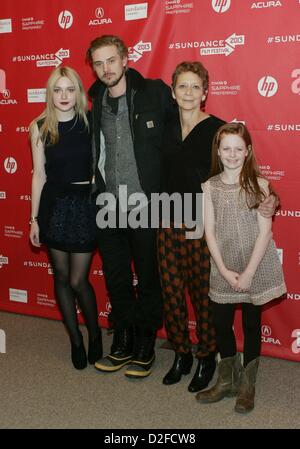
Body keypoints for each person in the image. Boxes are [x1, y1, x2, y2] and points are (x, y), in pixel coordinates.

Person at [158, 61, 278, 393]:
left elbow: (247, 175)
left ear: (206, 92)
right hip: (165, 219)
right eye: (182, 86)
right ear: (173, 91)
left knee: (204, 297)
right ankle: (181, 353)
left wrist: (272, 199)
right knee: (171, 293)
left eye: (195, 86)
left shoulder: (219, 130)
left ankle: (207, 357)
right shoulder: (164, 125)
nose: (188, 92)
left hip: (203, 224)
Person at [86, 35, 173, 378]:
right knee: (118, 278)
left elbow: (177, 140)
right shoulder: (95, 100)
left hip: (146, 204)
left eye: (111, 60)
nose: (105, 68)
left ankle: (145, 343)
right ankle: (122, 339)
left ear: (125, 59)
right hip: (108, 204)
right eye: (98, 63)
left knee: (149, 278)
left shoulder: (154, 92)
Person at [196, 122, 286, 412]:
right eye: (226, 149)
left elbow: (265, 233)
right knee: (221, 323)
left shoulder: (259, 186)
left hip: (254, 266)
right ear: (218, 152)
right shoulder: (209, 187)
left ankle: (247, 384)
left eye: (238, 149)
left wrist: (248, 273)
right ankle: (226, 380)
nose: (232, 154)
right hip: (223, 265)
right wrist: (222, 270)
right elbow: (209, 230)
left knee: (250, 324)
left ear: (247, 152)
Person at [29, 66, 102, 370]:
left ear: (78, 92)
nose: (63, 96)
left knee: (78, 279)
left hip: (84, 206)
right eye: (57, 90)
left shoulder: (89, 122)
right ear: (50, 93)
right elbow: (39, 176)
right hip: (54, 207)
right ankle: (75, 340)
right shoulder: (39, 125)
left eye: (69, 89)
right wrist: (34, 218)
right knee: (60, 278)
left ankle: (95, 333)